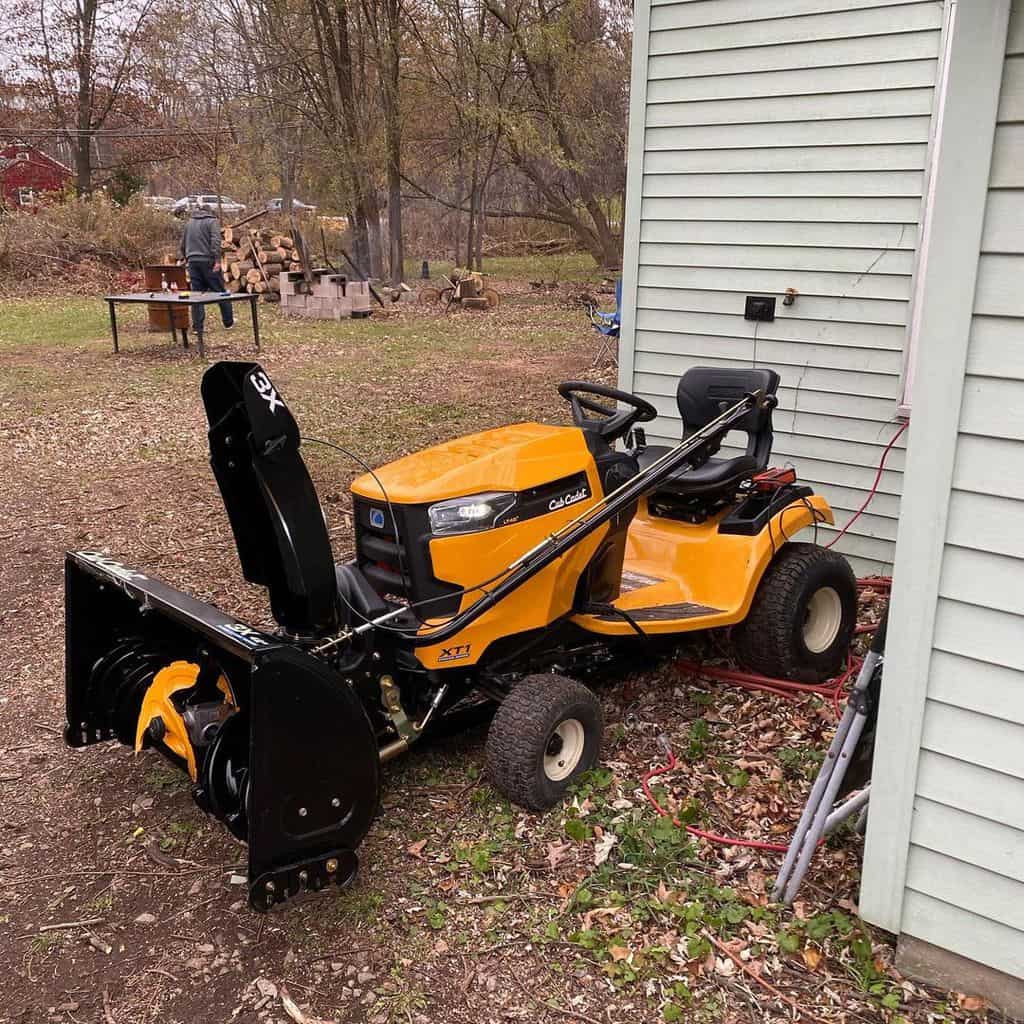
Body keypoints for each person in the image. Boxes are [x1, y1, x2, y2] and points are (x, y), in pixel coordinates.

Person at [178, 202, 234, 338]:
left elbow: (182, 243)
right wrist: (217, 260)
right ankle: (228, 322)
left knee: (197, 296)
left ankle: (198, 327)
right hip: (208, 261)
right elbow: (215, 241)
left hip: (193, 262)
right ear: (210, 212)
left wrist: (185, 257)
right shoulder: (212, 221)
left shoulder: (189, 223)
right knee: (220, 292)